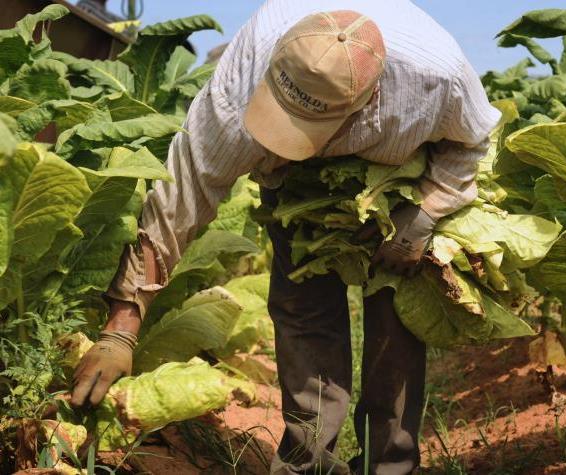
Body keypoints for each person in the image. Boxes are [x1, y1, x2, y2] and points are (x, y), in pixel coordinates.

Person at [70, 1, 500, 473]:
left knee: (395, 316)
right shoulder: (246, 71)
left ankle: (390, 463)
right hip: (297, 187)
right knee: (303, 311)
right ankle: (307, 460)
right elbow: (186, 190)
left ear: (369, 100)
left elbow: (473, 142)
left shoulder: (437, 76)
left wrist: (424, 213)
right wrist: (122, 327)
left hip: (402, 182)